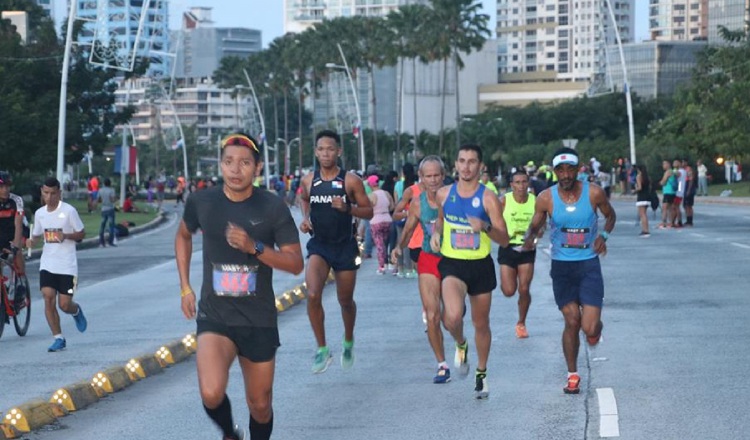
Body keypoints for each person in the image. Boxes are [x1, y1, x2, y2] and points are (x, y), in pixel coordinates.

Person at [175, 132, 303, 440]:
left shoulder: (272, 208)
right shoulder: (202, 201)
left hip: (258, 320)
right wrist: (185, 287)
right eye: (229, 162)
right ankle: (230, 433)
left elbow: (296, 263)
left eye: (245, 163)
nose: (235, 169)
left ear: (257, 168)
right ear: (220, 165)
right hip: (215, 316)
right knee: (210, 392)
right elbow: (183, 235)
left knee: (260, 405)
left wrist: (254, 246)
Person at [522, 148, 616, 395]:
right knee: (572, 320)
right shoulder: (546, 197)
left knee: (589, 327)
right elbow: (536, 224)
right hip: (562, 267)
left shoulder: (594, 193)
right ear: (555, 172)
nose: (565, 174)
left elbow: (610, 216)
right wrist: (529, 238)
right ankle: (572, 374)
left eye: (570, 169)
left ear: (578, 169)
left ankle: (595, 330)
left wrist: (603, 236)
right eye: (560, 170)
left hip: (588, 265)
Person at [429, 144, 510, 399]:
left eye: (472, 161)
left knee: (481, 323)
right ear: (455, 164)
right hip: (453, 263)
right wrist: (437, 234)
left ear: (480, 166)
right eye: (462, 161)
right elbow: (441, 221)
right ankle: (460, 343)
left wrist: (485, 227)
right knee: (451, 317)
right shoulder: (443, 194)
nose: (466, 166)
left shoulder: (488, 198)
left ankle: (481, 374)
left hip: (480, 265)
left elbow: (505, 239)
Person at [299, 130, 373, 374]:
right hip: (319, 245)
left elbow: (369, 212)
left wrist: (348, 208)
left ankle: (348, 340)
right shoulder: (309, 180)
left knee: (345, 300)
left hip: (345, 246)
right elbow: (304, 199)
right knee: (312, 294)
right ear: (316, 152)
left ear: (338, 152)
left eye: (330, 149)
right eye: (321, 149)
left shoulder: (350, 181)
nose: (325, 154)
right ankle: (322, 349)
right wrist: (306, 218)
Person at [390, 156, 450, 383]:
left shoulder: (454, 197)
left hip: (454, 260)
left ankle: (460, 341)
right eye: (428, 176)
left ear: (443, 176)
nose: (433, 180)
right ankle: (442, 364)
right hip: (428, 259)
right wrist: (398, 248)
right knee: (432, 315)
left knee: (452, 318)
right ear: (421, 179)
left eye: (437, 176)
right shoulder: (417, 202)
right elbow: (407, 229)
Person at [27, 177, 88, 352]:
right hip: (48, 263)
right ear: (42, 193)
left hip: (67, 266)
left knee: (64, 305)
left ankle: (76, 311)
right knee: (47, 297)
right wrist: (32, 241)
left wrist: (66, 236)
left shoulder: (69, 211)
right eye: (46, 193)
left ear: (59, 193)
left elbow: (81, 233)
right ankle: (58, 337)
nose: (50, 197)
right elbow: (38, 235)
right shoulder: (40, 213)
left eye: (53, 193)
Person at [498, 170, 538, 339]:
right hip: (508, 247)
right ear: (511, 185)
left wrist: (536, 235)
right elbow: (494, 220)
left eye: (524, 182)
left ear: (528, 184)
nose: (521, 186)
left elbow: (541, 224)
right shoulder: (504, 201)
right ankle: (509, 284)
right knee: (508, 290)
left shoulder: (535, 202)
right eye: (517, 182)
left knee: (524, 288)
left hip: (527, 248)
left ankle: (521, 322)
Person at [366, 175, 394, 274]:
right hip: (387, 219)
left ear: (370, 184)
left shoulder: (371, 196)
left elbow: (368, 209)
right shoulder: (386, 193)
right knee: (388, 243)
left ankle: (381, 266)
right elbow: (392, 207)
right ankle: (391, 263)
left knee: (379, 244)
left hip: (375, 221)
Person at [0, 171, 26, 276]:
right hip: (2, 230)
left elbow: (18, 225)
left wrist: (15, 246)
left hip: (16, 229)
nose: (5, 190)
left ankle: (21, 280)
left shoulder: (16, 200)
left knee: (17, 251)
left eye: (7, 186)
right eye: (1, 187)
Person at [97, 178, 117, 247]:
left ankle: (101, 242)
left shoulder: (100, 190)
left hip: (103, 209)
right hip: (110, 208)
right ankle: (110, 241)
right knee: (111, 226)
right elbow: (112, 200)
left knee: (102, 225)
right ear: (110, 183)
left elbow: (99, 200)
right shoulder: (111, 190)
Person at [634, 165, 651, 237]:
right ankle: (646, 229)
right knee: (644, 213)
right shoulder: (647, 177)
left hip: (641, 196)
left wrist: (635, 189)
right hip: (647, 195)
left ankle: (645, 230)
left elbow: (640, 187)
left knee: (642, 214)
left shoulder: (639, 176)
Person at [658, 160, 676, 229]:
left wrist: (660, 183)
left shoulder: (668, 172)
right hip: (672, 192)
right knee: (670, 208)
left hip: (668, 192)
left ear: (668, 164)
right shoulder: (672, 171)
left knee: (664, 208)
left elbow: (664, 182)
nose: (663, 166)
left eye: (664, 164)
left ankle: (664, 223)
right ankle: (671, 222)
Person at [682, 159, 696, 226]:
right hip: (685, 187)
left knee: (688, 205)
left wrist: (688, 190)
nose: (682, 163)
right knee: (685, 205)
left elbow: (691, 180)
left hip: (688, 187)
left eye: (683, 162)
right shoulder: (682, 170)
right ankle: (688, 219)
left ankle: (690, 220)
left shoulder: (688, 169)